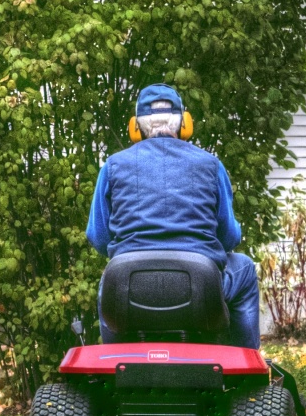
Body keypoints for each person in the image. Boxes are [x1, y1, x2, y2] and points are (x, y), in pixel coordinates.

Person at [84, 83, 261, 347]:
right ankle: (247, 364)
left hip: (129, 287)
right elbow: (229, 237)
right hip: (201, 287)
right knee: (244, 267)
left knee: (107, 282)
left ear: (136, 127)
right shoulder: (211, 165)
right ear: (184, 124)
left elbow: (98, 237)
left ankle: (115, 365)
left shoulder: (113, 166)